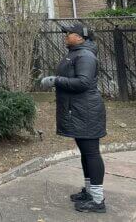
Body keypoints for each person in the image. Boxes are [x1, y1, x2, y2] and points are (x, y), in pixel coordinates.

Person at [40, 23, 107, 214]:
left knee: (91, 152)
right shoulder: (76, 53)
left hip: (86, 111)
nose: (66, 36)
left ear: (81, 37)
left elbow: (84, 82)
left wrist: (55, 80)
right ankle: (89, 191)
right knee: (86, 153)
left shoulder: (85, 56)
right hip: (78, 110)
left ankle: (97, 199)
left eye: (69, 33)